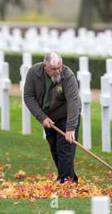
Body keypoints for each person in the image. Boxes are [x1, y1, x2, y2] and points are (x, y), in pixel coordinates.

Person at [23, 51, 81, 183]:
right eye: (54, 69)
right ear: (45, 66)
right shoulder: (34, 73)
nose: (58, 71)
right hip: (48, 116)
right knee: (55, 149)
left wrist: (70, 128)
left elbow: (73, 102)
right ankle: (69, 179)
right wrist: (41, 117)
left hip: (68, 114)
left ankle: (65, 182)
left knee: (65, 149)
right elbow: (28, 97)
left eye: (59, 67)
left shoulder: (68, 75)